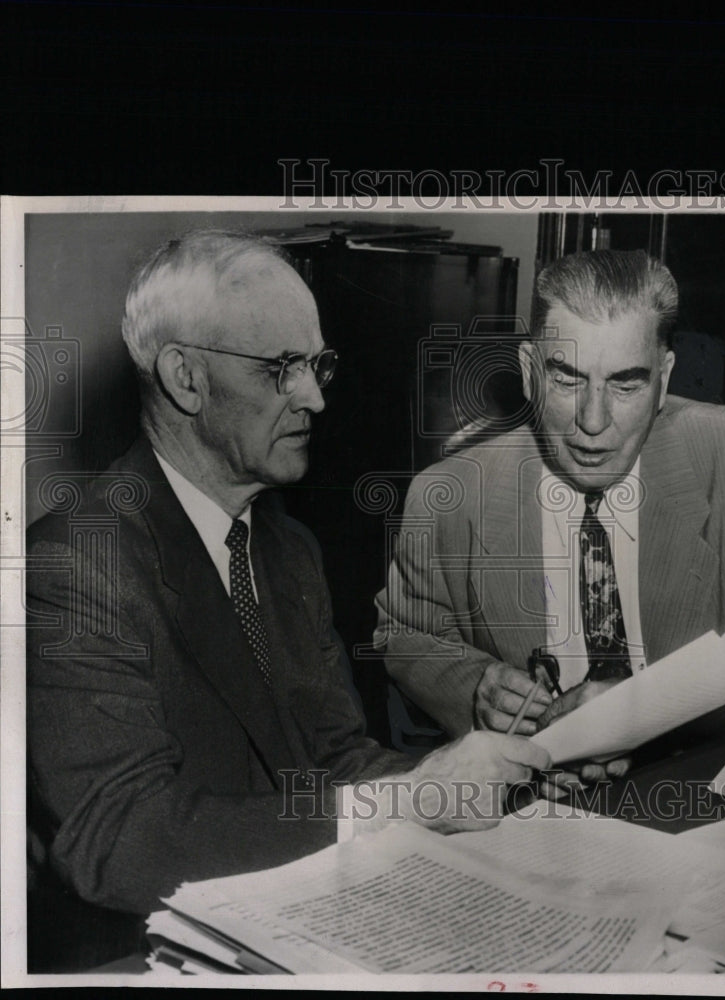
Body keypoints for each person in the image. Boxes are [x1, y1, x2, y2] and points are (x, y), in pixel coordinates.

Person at [26, 230, 549, 921]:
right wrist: (404, 801)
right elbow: (119, 840)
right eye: (281, 368)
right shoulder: (75, 563)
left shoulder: (286, 547)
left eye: (317, 366)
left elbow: (335, 761)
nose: (316, 400)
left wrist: (500, 773)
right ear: (186, 378)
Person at [375, 249, 725, 771]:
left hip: (696, 797)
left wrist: (651, 710)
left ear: (664, 377)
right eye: (568, 379)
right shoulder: (450, 495)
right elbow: (406, 634)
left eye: (626, 383)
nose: (594, 421)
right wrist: (476, 686)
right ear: (530, 373)